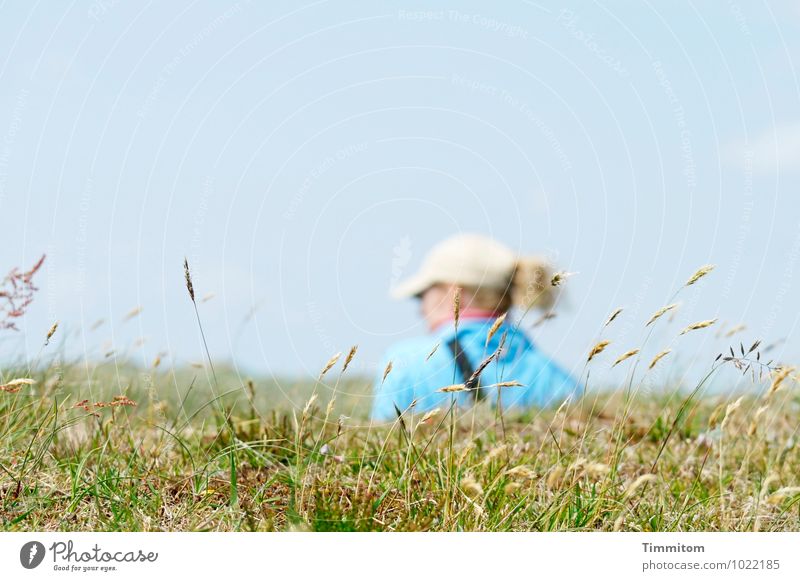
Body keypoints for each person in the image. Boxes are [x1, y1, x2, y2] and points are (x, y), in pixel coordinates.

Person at [372, 233, 579, 421]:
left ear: (455, 295)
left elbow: (383, 443)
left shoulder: (404, 363)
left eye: (422, 295)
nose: (421, 309)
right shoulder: (560, 381)